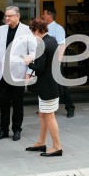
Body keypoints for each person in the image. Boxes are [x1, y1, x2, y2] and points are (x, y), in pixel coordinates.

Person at [0, 6, 36, 141]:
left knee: (17, 103)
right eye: (6, 16)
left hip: (19, 73)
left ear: (18, 16)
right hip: (2, 73)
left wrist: (29, 72)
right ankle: (3, 130)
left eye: (9, 16)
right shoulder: (0, 29)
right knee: (3, 103)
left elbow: (33, 53)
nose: (7, 18)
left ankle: (17, 129)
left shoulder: (27, 30)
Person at [24, 18, 64, 156]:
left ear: (37, 30)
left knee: (49, 115)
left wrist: (28, 63)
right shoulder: (52, 40)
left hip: (47, 85)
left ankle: (57, 147)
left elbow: (40, 68)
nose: (32, 35)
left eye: (32, 31)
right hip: (51, 82)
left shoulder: (42, 44)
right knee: (43, 114)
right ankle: (41, 142)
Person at [42, 8, 75, 118]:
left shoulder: (58, 28)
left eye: (44, 14)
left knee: (61, 86)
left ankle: (70, 107)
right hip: (45, 62)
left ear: (50, 15)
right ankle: (47, 109)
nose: (42, 16)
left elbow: (62, 45)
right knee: (47, 85)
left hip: (54, 61)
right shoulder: (44, 28)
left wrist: (58, 61)